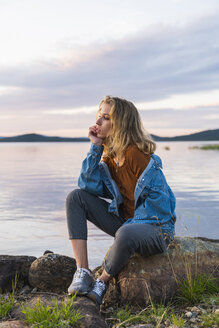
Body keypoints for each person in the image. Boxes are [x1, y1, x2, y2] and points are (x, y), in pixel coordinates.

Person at [66, 95, 176, 306]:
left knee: (126, 232)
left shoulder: (136, 154)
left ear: (120, 124)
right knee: (75, 198)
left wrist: (129, 227)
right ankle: (83, 272)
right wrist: (96, 147)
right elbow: (87, 185)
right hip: (127, 224)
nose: (97, 122)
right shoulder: (110, 158)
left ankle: (102, 281)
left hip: (156, 228)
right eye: (98, 116)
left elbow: (160, 209)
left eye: (105, 118)